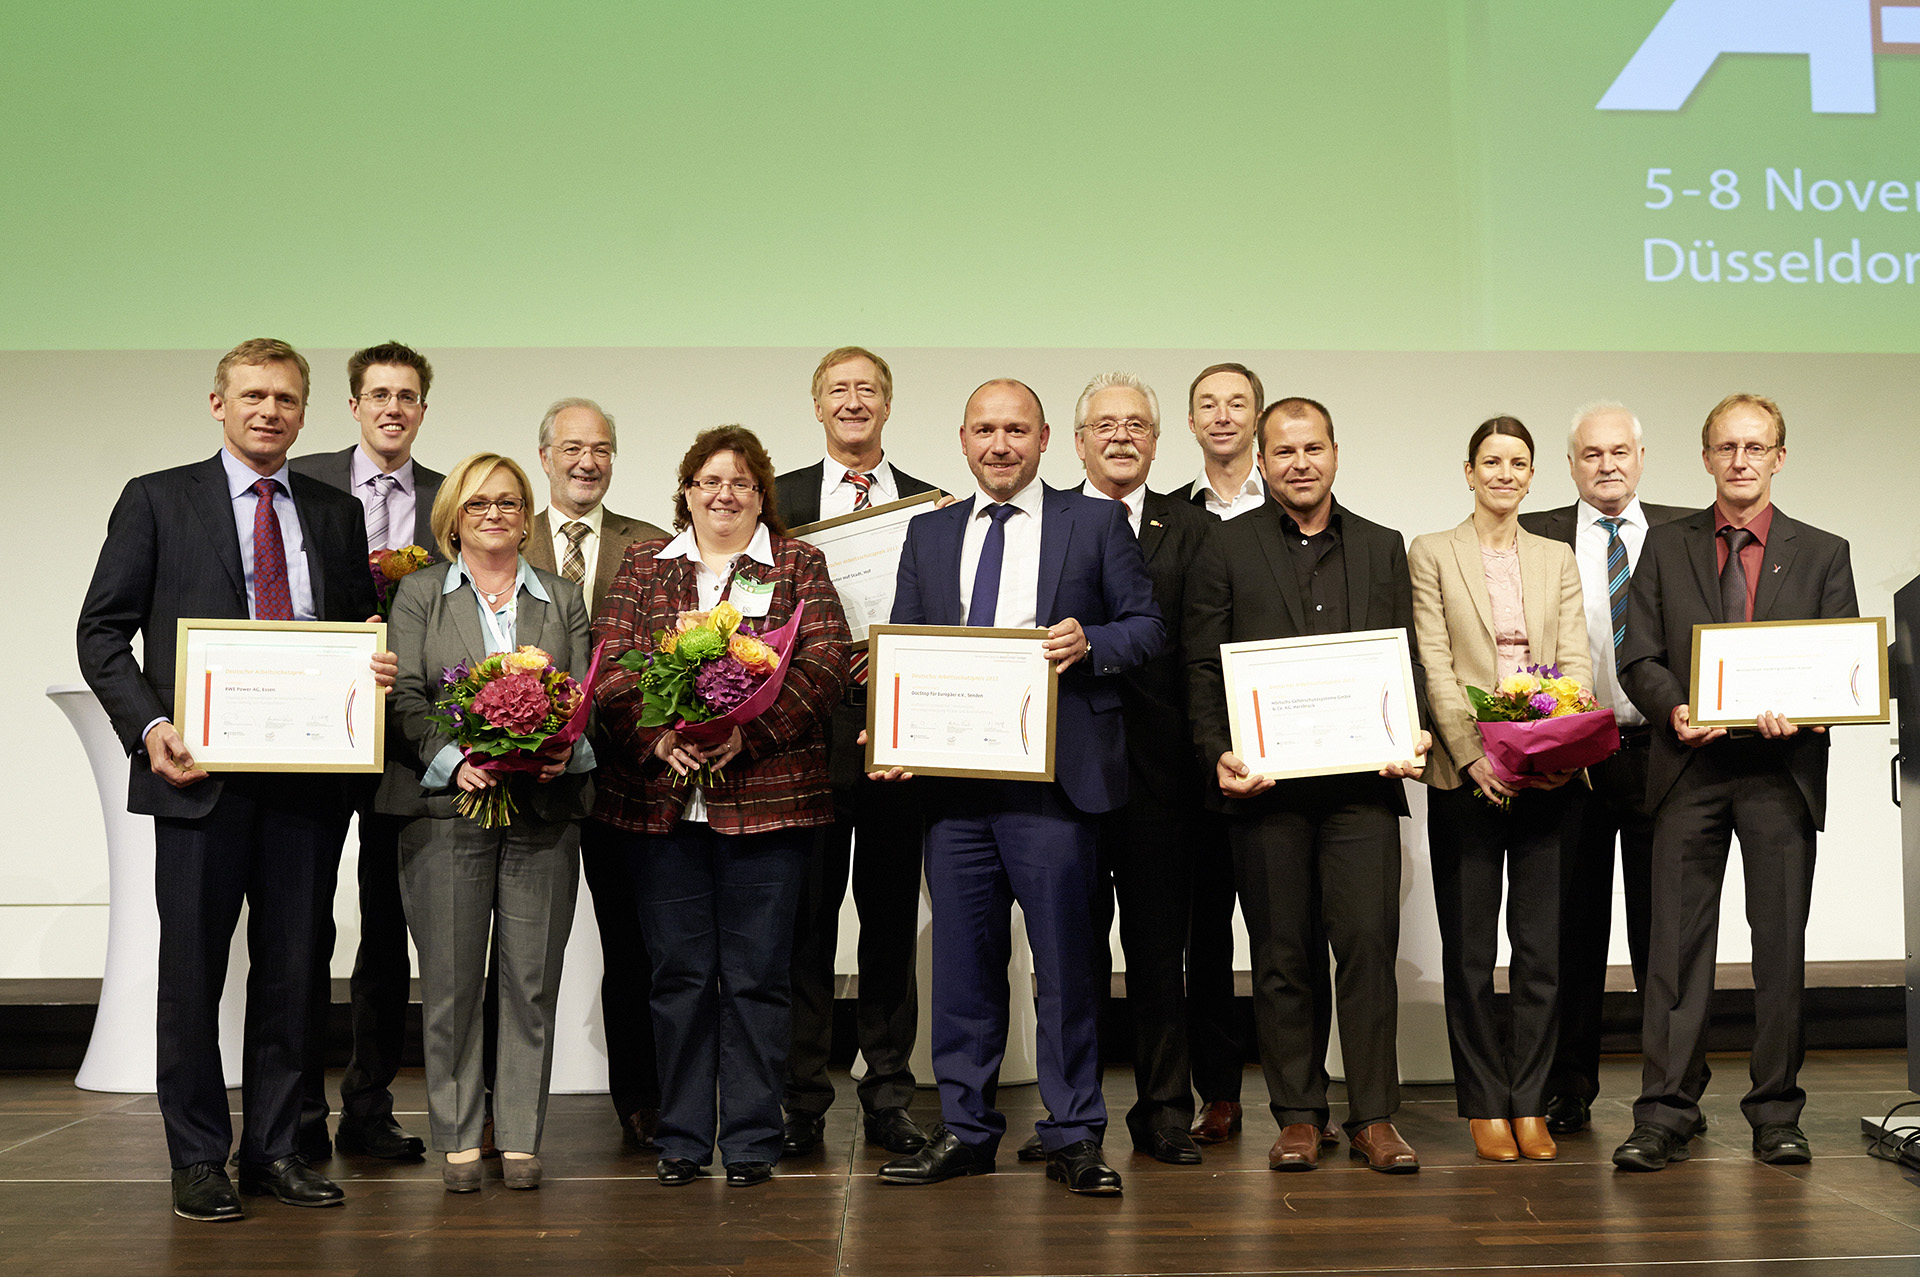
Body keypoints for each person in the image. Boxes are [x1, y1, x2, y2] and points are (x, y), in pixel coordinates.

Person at [76, 338, 388, 1221]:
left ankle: (277, 1149)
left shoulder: (333, 510)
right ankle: (197, 1158)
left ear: (304, 411)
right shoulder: (156, 498)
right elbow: (101, 633)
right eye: (253, 395)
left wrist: (372, 667)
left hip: (305, 780)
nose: (269, 411)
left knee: (294, 969)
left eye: (287, 399)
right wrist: (152, 725)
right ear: (217, 403)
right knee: (192, 971)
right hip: (196, 773)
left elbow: (351, 626)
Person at [872, 379, 1164, 1196]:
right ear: (962, 440)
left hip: (1056, 788)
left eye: (1016, 431)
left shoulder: (1096, 521)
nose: (1000, 445)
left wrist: (1091, 640)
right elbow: (907, 647)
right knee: (964, 969)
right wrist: (891, 730)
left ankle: (1074, 1132)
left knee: (1068, 969)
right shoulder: (927, 535)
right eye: (985, 431)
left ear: (1043, 441)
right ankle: (966, 1128)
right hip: (957, 792)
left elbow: (1148, 628)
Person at [592, 426, 850, 1187]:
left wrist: (755, 731)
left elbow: (827, 661)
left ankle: (749, 1140)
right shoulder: (645, 566)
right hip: (662, 809)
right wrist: (658, 736)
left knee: (757, 978)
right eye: (708, 481)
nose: (724, 494)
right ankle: (679, 1137)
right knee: (676, 978)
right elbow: (609, 669)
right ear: (687, 492)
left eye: (740, 481)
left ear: (761, 494)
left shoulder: (798, 563)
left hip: (768, 806)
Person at [1611, 394, 1857, 1172]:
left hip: (1780, 775)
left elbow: (1844, 665)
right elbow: (1637, 658)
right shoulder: (1664, 546)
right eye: (1727, 447)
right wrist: (1675, 708)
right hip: (1690, 769)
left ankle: (1776, 1112)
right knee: (1674, 950)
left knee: (1779, 947)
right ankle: (1666, 1112)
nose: (1741, 460)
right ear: (1707, 457)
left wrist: (1812, 710)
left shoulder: (1823, 551)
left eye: (1756, 447)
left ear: (1779, 457)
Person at [1187, 396, 1431, 1174]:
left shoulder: (1382, 545)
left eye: (1312, 447)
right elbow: (1201, 666)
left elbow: (1407, 660)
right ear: (1261, 462)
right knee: (1283, 951)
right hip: (1266, 788)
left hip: (1363, 788)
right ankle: (1298, 1113)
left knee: (1366, 947)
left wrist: (1412, 728)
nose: (1299, 462)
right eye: (1283, 450)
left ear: (1334, 453)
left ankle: (1375, 1117)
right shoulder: (1225, 547)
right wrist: (1217, 751)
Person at [378, 452, 596, 1192]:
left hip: (542, 811)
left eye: (509, 501)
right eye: (478, 504)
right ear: (452, 519)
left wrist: (569, 749)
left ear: (527, 512)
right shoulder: (419, 595)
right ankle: (459, 1136)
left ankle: (524, 1136)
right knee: (450, 982)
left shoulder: (562, 596)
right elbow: (405, 693)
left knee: (530, 982)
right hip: (447, 810)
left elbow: (584, 692)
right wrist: (450, 759)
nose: (495, 514)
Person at [1408, 415, 1590, 1164]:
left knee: (1542, 951)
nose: (1505, 473)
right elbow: (1435, 661)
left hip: (1549, 775)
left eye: (1518, 462)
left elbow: (1575, 660)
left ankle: (1530, 1101)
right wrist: (1475, 754)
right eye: (1492, 461)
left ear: (1531, 473)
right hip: (1467, 777)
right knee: (1472, 951)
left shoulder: (1558, 557)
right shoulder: (1432, 552)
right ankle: (1486, 1102)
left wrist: (1550, 744)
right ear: (1468, 469)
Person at [774, 347, 938, 1158]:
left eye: (867, 389)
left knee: (885, 924)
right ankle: (801, 1097)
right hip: (802, 737)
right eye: (838, 389)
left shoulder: (930, 506)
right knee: (806, 925)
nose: (853, 401)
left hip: (894, 738)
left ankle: (888, 1094)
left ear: (887, 404)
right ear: (816, 405)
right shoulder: (778, 502)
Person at [289, 340, 443, 1162]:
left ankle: (370, 1107)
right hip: (315, 729)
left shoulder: (453, 498)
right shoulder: (302, 482)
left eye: (407, 395)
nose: (392, 407)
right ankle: (297, 1112)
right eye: (378, 394)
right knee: (303, 925)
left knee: (388, 928)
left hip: (404, 742)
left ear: (422, 409)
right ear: (353, 405)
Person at [1517, 401, 1689, 1136]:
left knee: (1668, 933)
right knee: (1570, 930)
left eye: (1620, 451)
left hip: (1665, 750)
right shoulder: (1537, 534)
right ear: (1571, 464)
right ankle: (1568, 1085)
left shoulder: (1685, 534)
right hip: (1573, 756)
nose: (1607, 464)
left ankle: (1672, 1089)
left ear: (1643, 457)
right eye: (1591, 453)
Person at [1064, 371, 1214, 1165]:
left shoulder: (1195, 529)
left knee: (1160, 958)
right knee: (1073, 958)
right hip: (1068, 776)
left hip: (1163, 781)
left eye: (1136, 425)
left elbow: (1204, 656)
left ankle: (1162, 1112)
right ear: (1080, 439)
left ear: (1158, 442)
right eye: (1105, 425)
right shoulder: (1046, 521)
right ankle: (1075, 1116)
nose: (1121, 436)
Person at [522, 396, 668, 1151]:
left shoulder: (651, 545)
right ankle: (504, 1106)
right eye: (573, 447)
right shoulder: (504, 533)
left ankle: (642, 1099)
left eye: (602, 448)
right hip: (528, 780)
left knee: (635, 948)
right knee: (515, 953)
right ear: (544, 455)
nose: (588, 461)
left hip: (625, 781)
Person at [1182, 361, 1268, 1145]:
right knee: (1207, 935)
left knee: (1291, 937)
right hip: (1206, 760)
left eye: (1236, 402)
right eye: (1206, 404)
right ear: (1191, 422)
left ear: (1261, 420)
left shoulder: (1305, 511)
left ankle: (1302, 1098)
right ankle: (1220, 1091)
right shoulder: (1174, 517)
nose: (1222, 415)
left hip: (1297, 757)